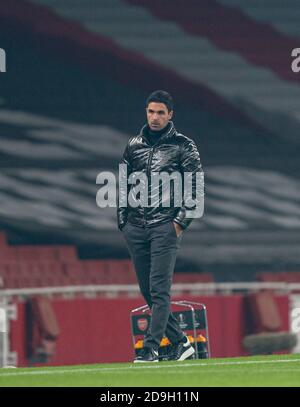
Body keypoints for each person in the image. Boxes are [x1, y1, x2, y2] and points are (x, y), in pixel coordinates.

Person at [117, 90, 204, 362]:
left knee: (159, 290)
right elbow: (123, 182)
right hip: (136, 227)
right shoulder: (133, 145)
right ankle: (181, 342)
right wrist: (123, 219)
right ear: (146, 112)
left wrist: (179, 223)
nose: (154, 118)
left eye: (160, 113)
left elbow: (196, 187)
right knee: (147, 291)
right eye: (151, 112)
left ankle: (151, 348)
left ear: (170, 115)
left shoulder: (183, 146)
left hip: (165, 227)